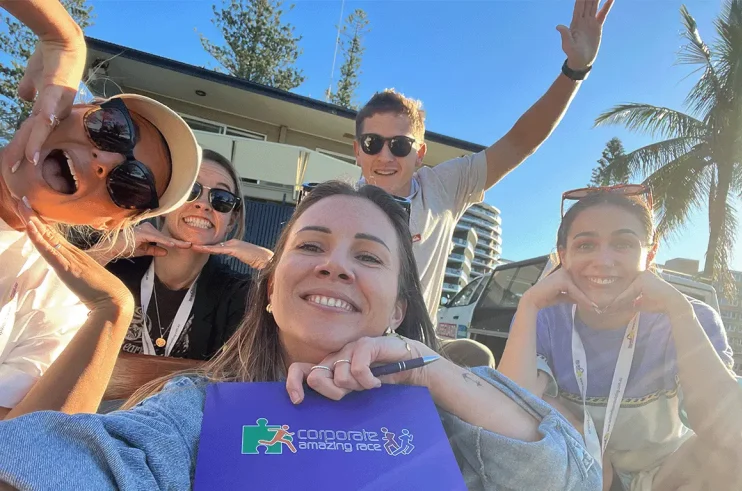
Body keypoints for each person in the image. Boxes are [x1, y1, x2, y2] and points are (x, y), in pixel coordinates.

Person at [0, 182, 601, 490]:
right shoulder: (199, 407)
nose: (334, 265)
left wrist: (425, 366)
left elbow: (567, 477)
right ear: (268, 288)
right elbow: (94, 463)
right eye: (311, 246)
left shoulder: (442, 416)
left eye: (367, 257)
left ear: (397, 307)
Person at [353, 0, 614, 325]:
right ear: (357, 151)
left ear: (419, 154)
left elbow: (520, 142)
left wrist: (575, 71)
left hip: (414, 360)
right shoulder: (336, 204)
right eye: (372, 143)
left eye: (400, 145)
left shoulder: (443, 187)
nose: (385, 156)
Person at [0, 1, 201, 418]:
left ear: (107, 223)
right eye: (111, 127)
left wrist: (114, 312)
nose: (105, 161)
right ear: (72, 108)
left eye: (130, 184)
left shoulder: (51, 302)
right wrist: (63, 37)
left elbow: (26, 460)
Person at [498, 185, 742, 491]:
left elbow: (725, 430)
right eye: (585, 245)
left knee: (737, 456)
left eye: (624, 244)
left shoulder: (692, 317)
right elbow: (507, 416)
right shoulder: (546, 317)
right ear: (564, 255)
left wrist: (678, 310)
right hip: (577, 468)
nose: (603, 259)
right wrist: (529, 304)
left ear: (650, 253)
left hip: (664, 474)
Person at [91, 149, 271, 360]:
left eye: (221, 199)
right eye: (190, 191)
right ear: (167, 203)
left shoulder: (237, 294)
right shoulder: (112, 266)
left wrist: (273, 265)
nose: (203, 204)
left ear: (230, 220)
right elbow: (48, 301)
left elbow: (281, 347)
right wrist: (104, 252)